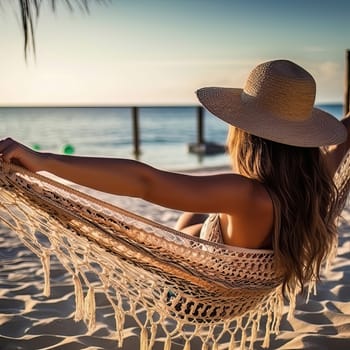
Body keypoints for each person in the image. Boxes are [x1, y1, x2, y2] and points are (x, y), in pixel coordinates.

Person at [0, 59, 349, 296]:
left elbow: (145, 182)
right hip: (237, 279)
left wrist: (42, 159)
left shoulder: (243, 195)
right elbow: (340, 144)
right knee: (200, 200)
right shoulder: (314, 186)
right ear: (305, 142)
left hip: (191, 292)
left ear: (246, 134)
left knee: (191, 198)